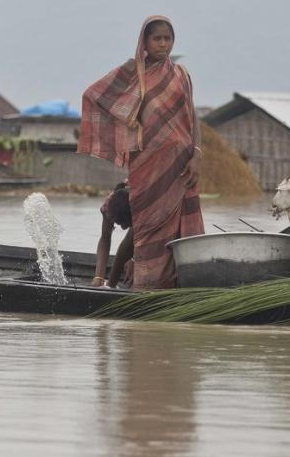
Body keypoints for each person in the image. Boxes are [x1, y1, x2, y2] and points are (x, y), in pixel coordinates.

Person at [78, 15, 204, 289]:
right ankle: (147, 283)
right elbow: (94, 95)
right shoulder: (133, 73)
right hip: (147, 163)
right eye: (157, 38)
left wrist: (196, 154)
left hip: (182, 166)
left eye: (167, 38)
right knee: (147, 225)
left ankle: (179, 281)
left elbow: (192, 117)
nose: (163, 44)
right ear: (144, 41)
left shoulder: (182, 74)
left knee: (181, 225)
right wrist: (127, 123)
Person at [90, 182, 135, 287]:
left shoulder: (142, 206)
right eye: (119, 224)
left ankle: (111, 284)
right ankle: (110, 285)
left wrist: (134, 259)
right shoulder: (107, 208)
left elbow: (134, 240)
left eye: (125, 224)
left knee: (131, 237)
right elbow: (105, 239)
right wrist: (98, 277)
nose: (123, 228)